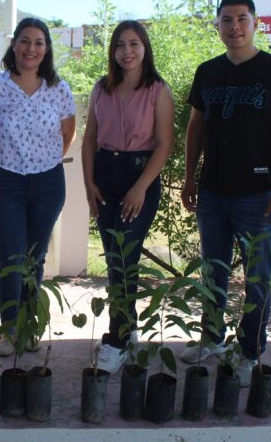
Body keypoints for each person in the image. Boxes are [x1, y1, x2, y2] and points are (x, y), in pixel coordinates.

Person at [180, 0, 271, 386]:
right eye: (226, 20)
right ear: (217, 25)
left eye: (242, 19)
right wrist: (188, 177)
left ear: (255, 24)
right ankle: (213, 338)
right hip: (213, 192)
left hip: (257, 194)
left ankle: (250, 351)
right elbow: (195, 128)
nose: (234, 26)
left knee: (257, 276)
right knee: (212, 271)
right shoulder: (207, 72)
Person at [0, 18, 76, 357]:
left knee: (36, 258)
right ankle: (9, 330)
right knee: (10, 257)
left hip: (49, 182)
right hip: (6, 182)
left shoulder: (59, 89)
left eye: (38, 42)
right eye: (24, 41)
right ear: (13, 45)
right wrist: (15, 162)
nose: (30, 48)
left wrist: (42, 162)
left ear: (46, 49)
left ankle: (30, 327)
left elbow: (68, 134)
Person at [81, 20, 174, 374]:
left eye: (134, 44)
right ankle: (128, 328)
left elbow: (165, 144)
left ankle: (116, 341)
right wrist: (88, 183)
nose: (127, 51)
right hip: (105, 176)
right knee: (115, 258)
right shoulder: (101, 88)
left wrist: (141, 187)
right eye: (120, 45)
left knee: (123, 256)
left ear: (145, 48)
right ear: (113, 51)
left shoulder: (158, 89)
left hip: (140, 177)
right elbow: (90, 138)